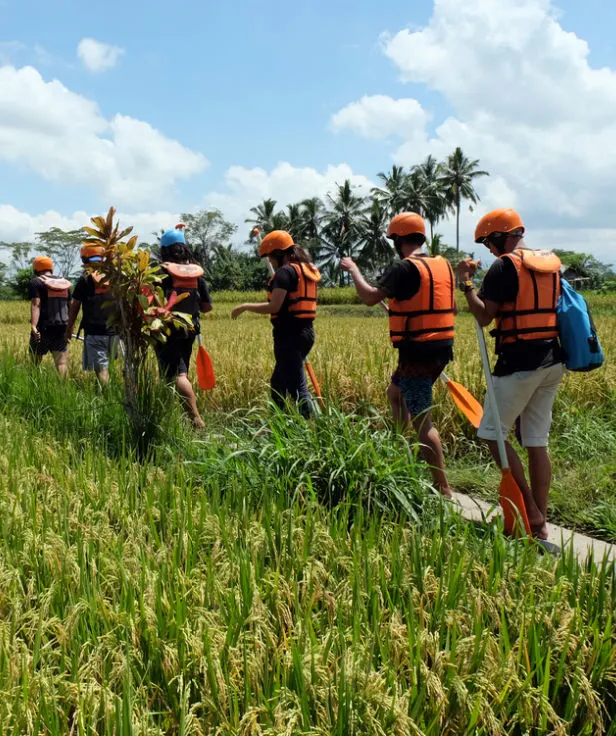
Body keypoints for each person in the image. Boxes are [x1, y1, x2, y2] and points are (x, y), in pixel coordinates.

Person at [456, 208, 563, 540]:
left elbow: (484, 316)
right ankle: (540, 522)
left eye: (489, 241)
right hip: (552, 360)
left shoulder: (504, 266)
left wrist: (466, 284)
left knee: (492, 433)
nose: (489, 249)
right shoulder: (547, 264)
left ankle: (530, 512)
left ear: (501, 237)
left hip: (519, 364)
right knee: (536, 440)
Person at [339, 213, 454, 497]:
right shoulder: (442, 264)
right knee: (395, 393)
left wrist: (353, 269)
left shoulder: (403, 268)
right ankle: (402, 456)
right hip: (440, 346)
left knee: (422, 420)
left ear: (398, 240)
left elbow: (369, 297)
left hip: (417, 351)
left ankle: (444, 489)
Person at [231, 230, 320, 417]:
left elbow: (274, 306)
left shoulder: (284, 272)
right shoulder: (302, 269)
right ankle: (279, 427)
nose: (270, 261)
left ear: (279, 254)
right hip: (305, 333)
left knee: (298, 388)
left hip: (290, 337)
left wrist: (245, 306)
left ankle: (313, 428)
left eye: (270, 257)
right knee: (278, 385)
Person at [155, 228, 213, 429]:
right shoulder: (196, 273)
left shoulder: (161, 272)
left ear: (164, 250)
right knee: (177, 373)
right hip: (189, 330)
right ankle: (174, 416)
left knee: (177, 375)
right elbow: (206, 307)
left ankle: (196, 420)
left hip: (167, 330)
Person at [66, 244, 120, 386]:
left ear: (85, 260)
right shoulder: (116, 276)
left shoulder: (85, 279)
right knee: (111, 367)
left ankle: (108, 399)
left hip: (95, 333)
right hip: (117, 332)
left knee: (102, 370)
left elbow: (75, 306)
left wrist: (69, 328)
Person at [28, 256, 72, 377]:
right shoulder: (64, 283)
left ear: (36, 268)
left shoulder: (36, 282)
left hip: (42, 328)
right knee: (61, 364)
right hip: (61, 328)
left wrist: (33, 326)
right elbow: (70, 306)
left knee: (34, 363)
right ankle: (65, 392)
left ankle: (33, 388)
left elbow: (36, 304)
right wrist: (70, 328)